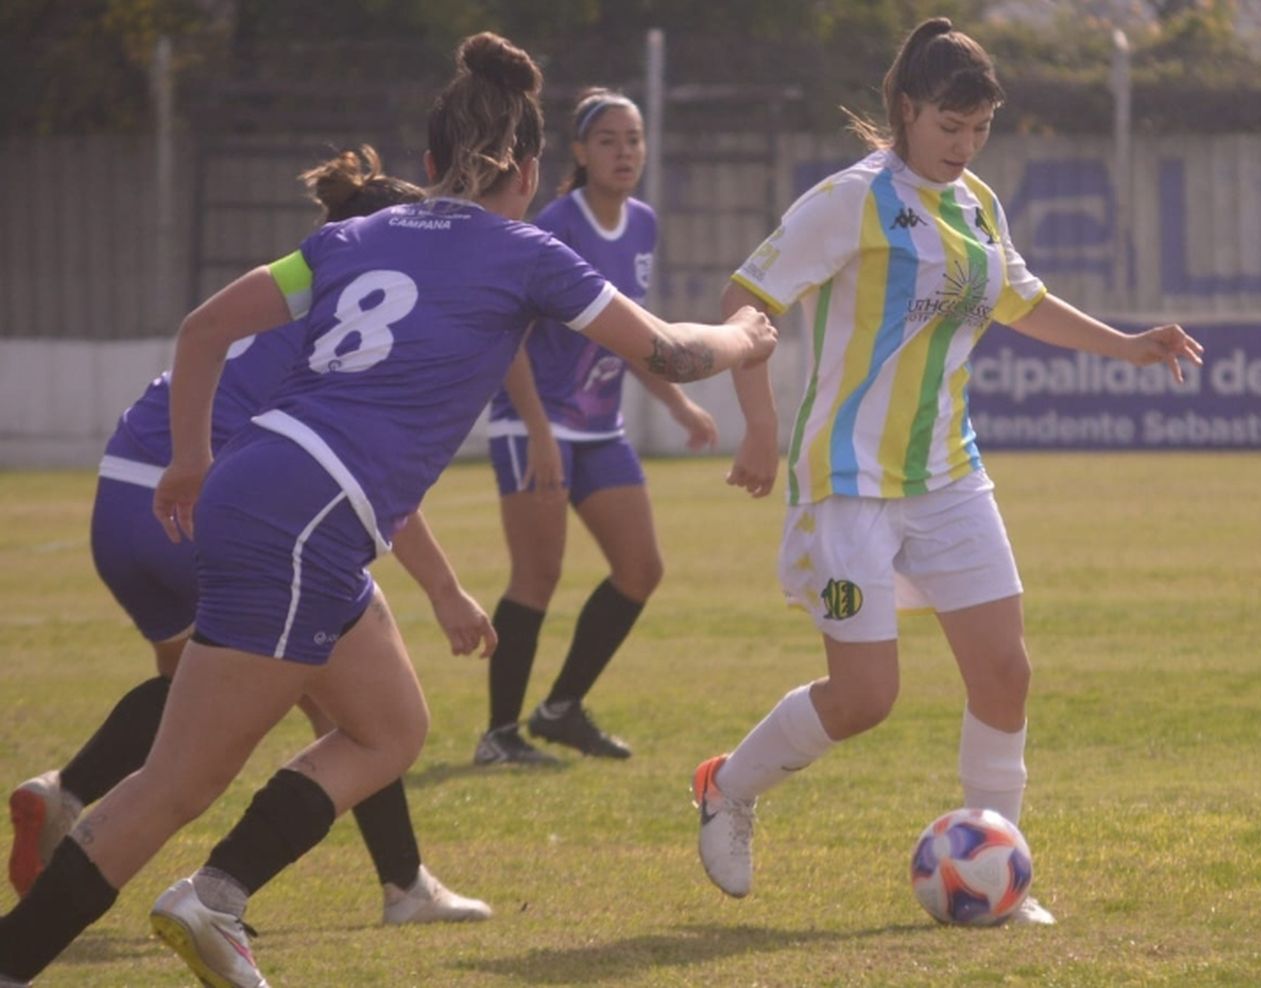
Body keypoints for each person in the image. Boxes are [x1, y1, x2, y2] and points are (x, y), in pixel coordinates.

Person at [0, 31, 774, 988]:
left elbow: (202, 331)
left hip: (277, 494)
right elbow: (668, 351)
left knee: (389, 730)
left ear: (427, 165)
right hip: (308, 517)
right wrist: (743, 334)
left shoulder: (348, 237)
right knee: (177, 783)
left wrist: (193, 462)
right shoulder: (525, 252)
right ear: (530, 171)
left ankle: (218, 898)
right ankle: (107, 930)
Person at [691, 17, 1202, 925]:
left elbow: (1023, 300)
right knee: (865, 699)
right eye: (948, 128)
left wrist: (1126, 346)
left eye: (979, 131)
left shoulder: (977, 205)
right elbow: (747, 301)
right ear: (905, 111)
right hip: (848, 482)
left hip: (949, 475)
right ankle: (728, 787)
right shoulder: (849, 200)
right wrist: (758, 426)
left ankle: (998, 870)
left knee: (1004, 672)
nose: (964, 147)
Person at [5, 147, 494, 931]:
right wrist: (444, 589)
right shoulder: (355, 331)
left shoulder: (276, 292)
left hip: (124, 506)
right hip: (203, 510)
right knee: (356, 704)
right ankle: (377, 888)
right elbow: (360, 479)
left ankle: (64, 793)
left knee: (206, 695)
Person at [475, 88, 717, 767]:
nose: (624, 152)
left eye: (633, 139)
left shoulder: (642, 224)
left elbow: (627, 335)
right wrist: (539, 432)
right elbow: (510, 335)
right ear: (579, 152)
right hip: (535, 426)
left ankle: (560, 710)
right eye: (608, 140)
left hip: (600, 427)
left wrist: (677, 405)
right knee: (537, 577)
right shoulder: (556, 224)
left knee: (641, 569)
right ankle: (498, 736)